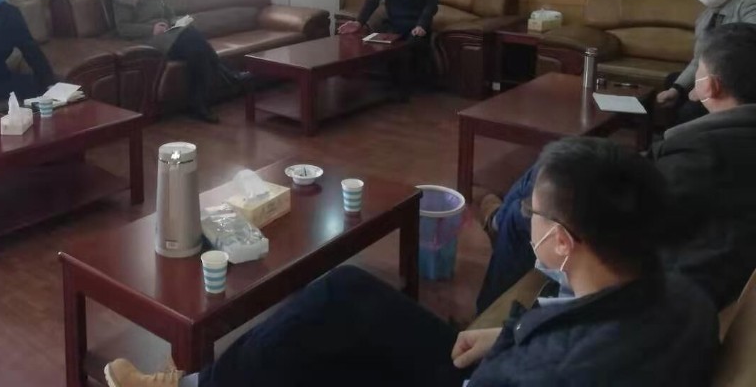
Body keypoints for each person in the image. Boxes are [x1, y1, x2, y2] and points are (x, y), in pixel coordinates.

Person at [104, 137, 718, 387]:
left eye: (531, 211)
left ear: (560, 243)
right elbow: (571, 323)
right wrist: (507, 332)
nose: (522, 218)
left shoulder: (553, 376)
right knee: (343, 293)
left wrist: (509, 347)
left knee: (321, 343)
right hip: (509, 353)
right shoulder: (685, 296)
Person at [477, 22, 756, 314]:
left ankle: (486, 304)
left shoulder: (700, 159)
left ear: (710, 85)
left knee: (529, 203)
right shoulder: (724, 141)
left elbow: (625, 214)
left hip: (638, 268)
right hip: (678, 245)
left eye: (699, 68)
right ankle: (500, 221)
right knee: (549, 167)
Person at [107, 0, 249, 124]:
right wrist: (151, 29)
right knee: (195, 42)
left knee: (195, 46)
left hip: (167, 34)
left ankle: (200, 103)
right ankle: (227, 77)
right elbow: (123, 28)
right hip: (147, 39)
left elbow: (169, 15)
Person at [655, 0, 756, 124]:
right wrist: (676, 89)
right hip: (714, 76)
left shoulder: (749, 4)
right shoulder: (705, 17)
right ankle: (672, 133)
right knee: (673, 81)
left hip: (742, 79)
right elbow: (699, 59)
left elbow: (745, 50)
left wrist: (705, 86)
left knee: (690, 111)